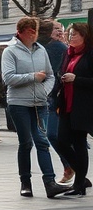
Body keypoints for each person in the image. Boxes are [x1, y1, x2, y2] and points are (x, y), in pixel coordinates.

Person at [2, 17, 71, 199]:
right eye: (30, 31)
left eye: (36, 31)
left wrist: (45, 91)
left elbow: (49, 76)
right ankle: (25, 182)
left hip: (39, 103)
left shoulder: (41, 50)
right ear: (21, 32)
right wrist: (33, 76)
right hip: (19, 103)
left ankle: (50, 182)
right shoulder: (10, 51)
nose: (34, 34)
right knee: (26, 143)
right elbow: (8, 78)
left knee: (42, 141)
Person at [52, 23, 93, 197]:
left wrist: (76, 79)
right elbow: (60, 72)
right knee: (61, 141)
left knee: (79, 142)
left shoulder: (90, 54)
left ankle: (79, 185)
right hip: (66, 104)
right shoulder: (67, 53)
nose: (70, 37)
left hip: (83, 106)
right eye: (69, 34)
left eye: (74, 34)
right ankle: (81, 177)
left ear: (84, 35)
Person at [39, 20, 72, 183]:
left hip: (60, 98)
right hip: (52, 99)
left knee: (53, 134)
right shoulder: (44, 47)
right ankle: (73, 167)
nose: (60, 32)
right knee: (53, 134)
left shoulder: (58, 48)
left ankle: (72, 166)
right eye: (56, 29)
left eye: (61, 29)